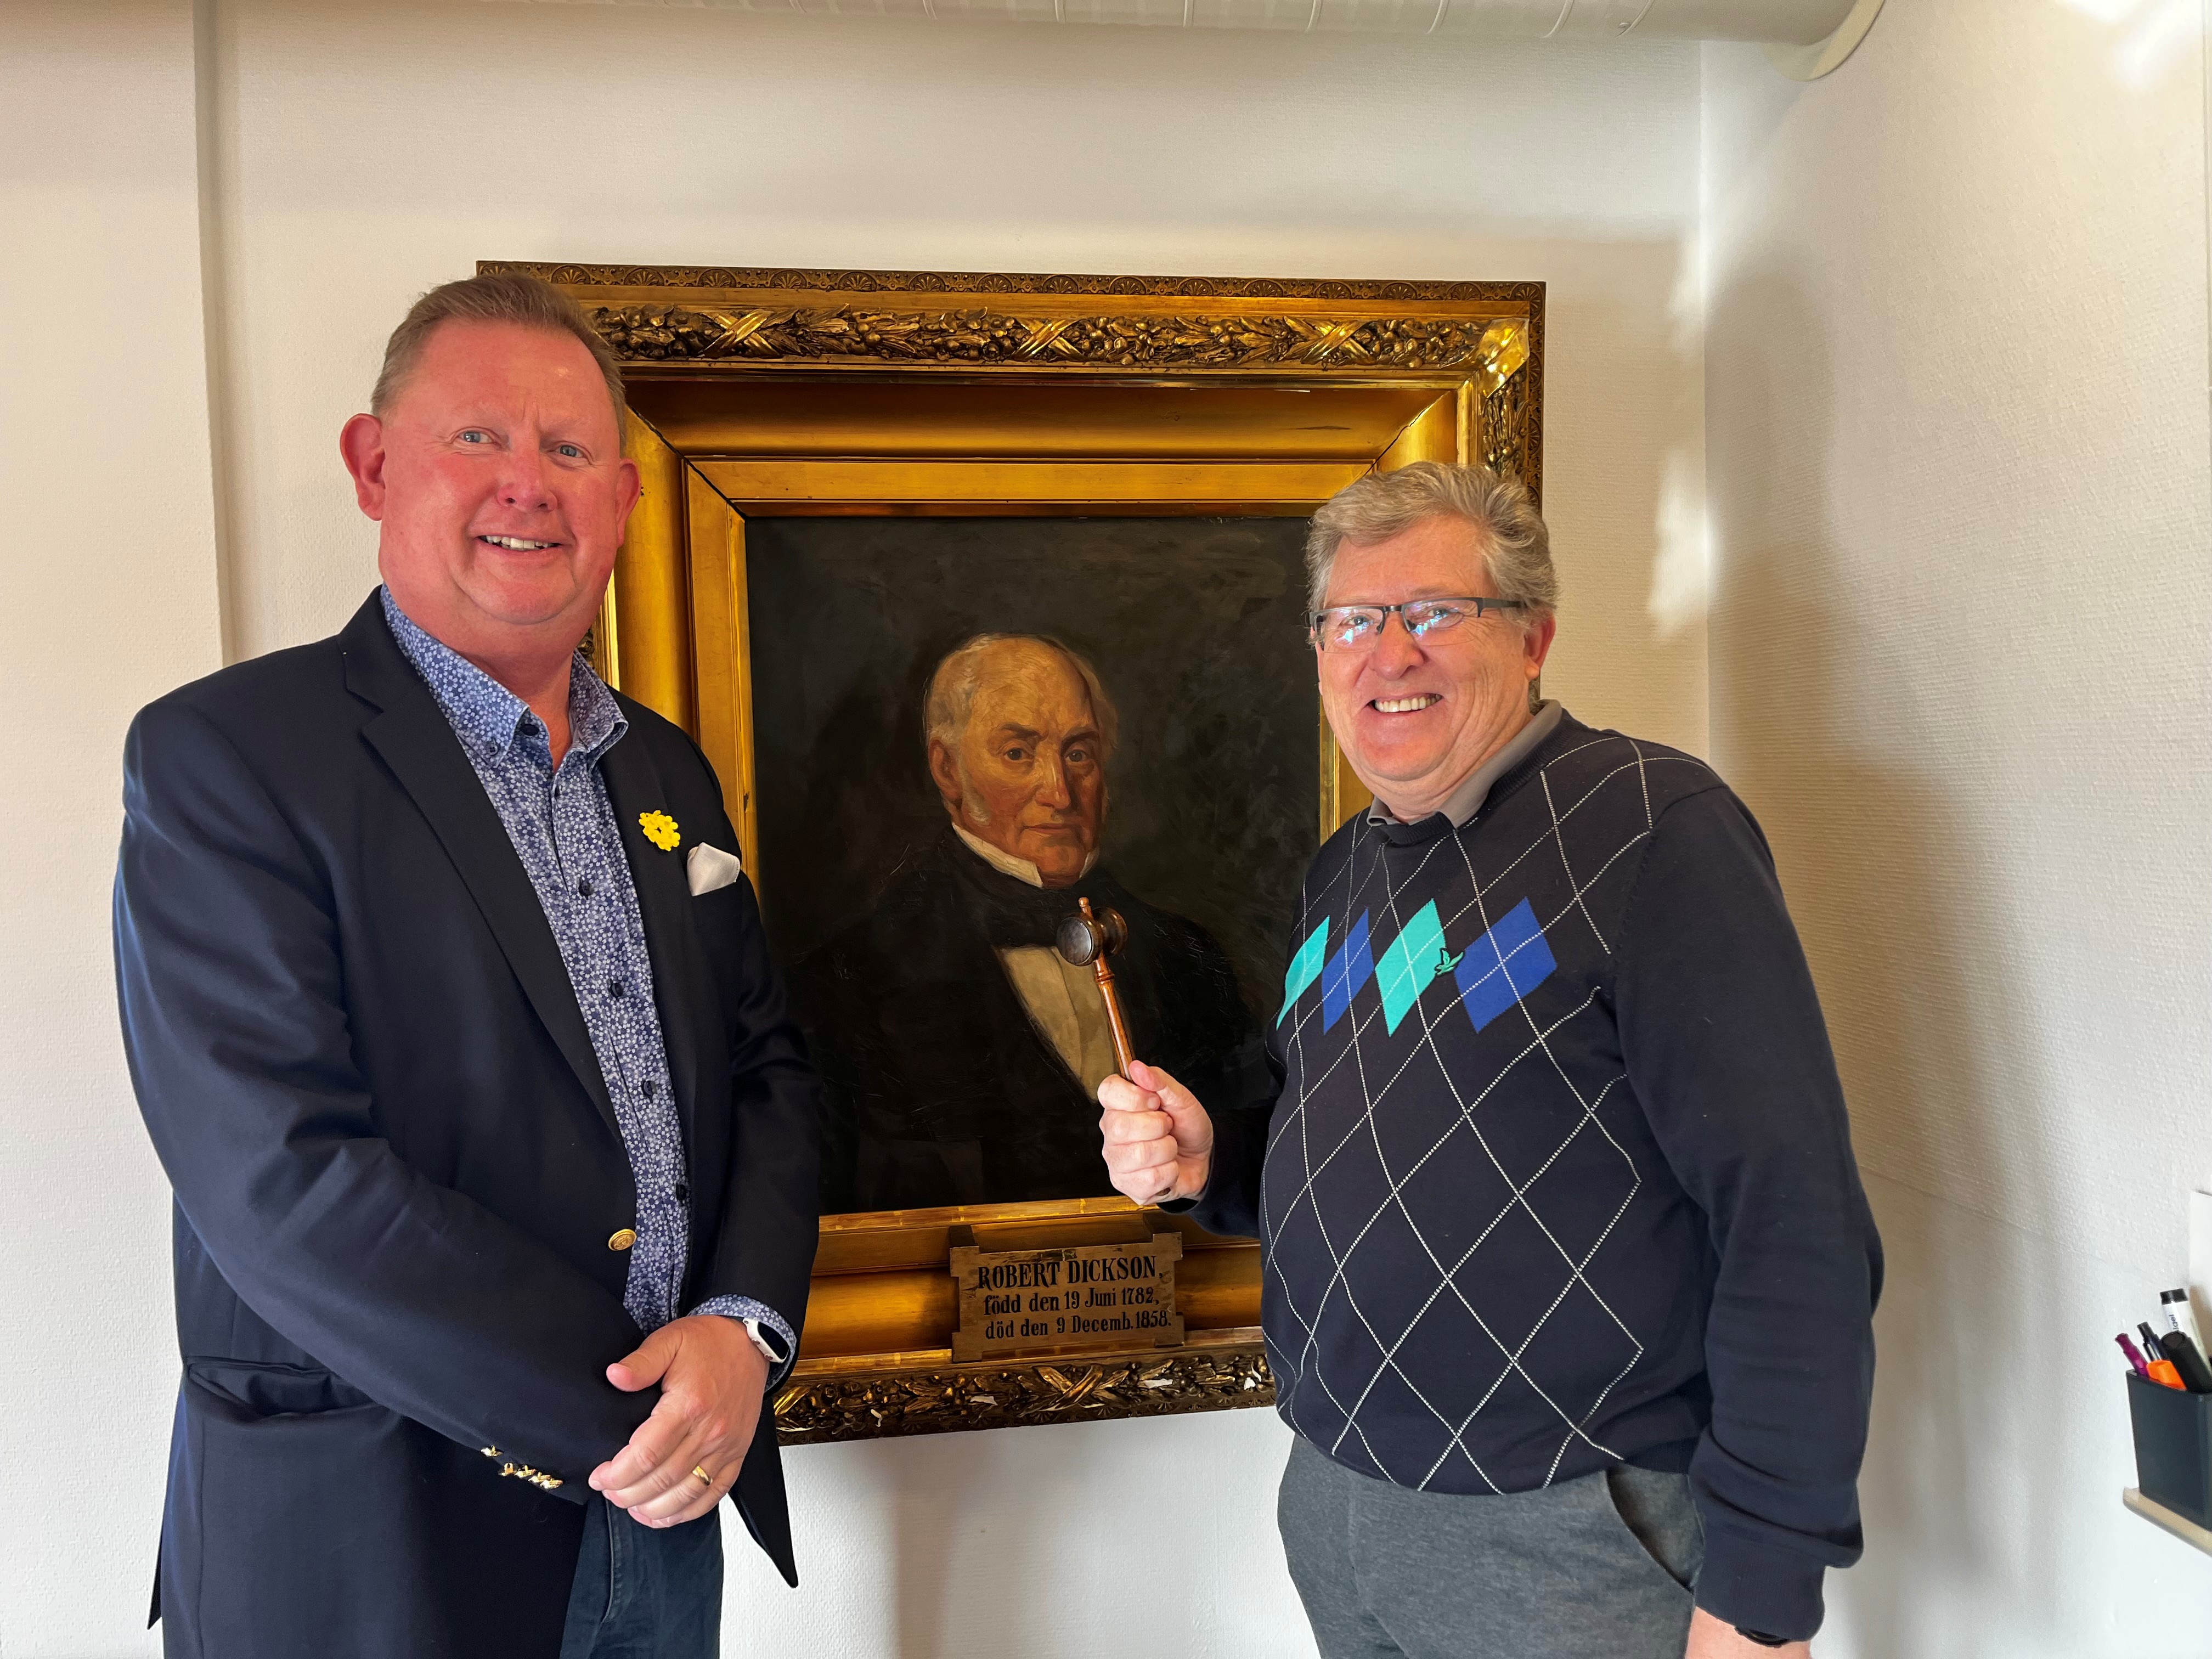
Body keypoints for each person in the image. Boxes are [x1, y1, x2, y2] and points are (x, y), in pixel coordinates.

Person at [114, 273, 820, 1658]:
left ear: (622, 499)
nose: (528, 485)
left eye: (569, 451)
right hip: (377, 1534)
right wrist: (642, 1412)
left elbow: (767, 1074)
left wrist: (742, 1330)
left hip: (663, 1527)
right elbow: (283, 1180)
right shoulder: (228, 758)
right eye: (478, 439)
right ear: (375, 467)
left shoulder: (668, 771)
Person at [1098, 461, 1881, 1658]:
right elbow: (1354, 1156)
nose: (1388, 652)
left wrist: (1762, 1600)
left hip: (1566, 1532)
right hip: (1337, 1501)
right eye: (1352, 620)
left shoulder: (1652, 828)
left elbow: (1793, 1221)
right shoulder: (1344, 869)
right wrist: (1216, 1163)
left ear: (1534, 636)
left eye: (1433, 612)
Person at [799, 633, 1266, 1212]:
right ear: (948, 769)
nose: (1059, 793)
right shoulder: (847, 983)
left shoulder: (1189, 957)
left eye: (1079, 754)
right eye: (1018, 753)